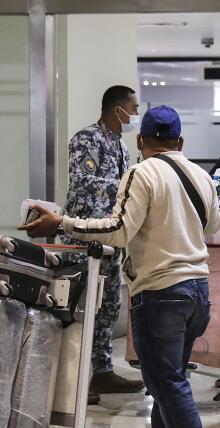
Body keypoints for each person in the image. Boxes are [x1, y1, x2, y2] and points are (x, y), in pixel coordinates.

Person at [21, 106, 220, 428]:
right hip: (198, 290)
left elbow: (117, 229)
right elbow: (212, 226)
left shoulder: (141, 172)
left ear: (141, 141)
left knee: (165, 380)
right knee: (172, 377)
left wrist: (60, 223)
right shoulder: (202, 175)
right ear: (181, 142)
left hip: (161, 291)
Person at [64, 85, 145, 402]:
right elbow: (82, 183)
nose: (136, 115)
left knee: (108, 308)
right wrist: (129, 185)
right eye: (134, 109)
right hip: (84, 239)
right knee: (82, 309)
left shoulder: (121, 147)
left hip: (112, 240)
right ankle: (75, 379)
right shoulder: (87, 140)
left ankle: (101, 372)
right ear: (117, 110)